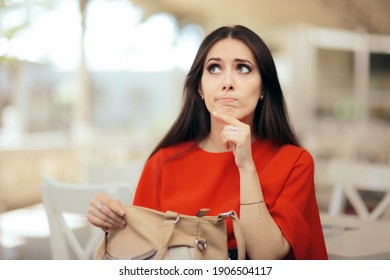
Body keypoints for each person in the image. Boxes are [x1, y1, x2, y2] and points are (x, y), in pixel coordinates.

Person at [87, 25, 328, 260]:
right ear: (200, 89)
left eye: (243, 68)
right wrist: (111, 220)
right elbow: (143, 252)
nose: (227, 82)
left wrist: (246, 167)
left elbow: (266, 257)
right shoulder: (163, 162)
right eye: (214, 68)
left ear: (264, 88)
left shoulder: (294, 162)